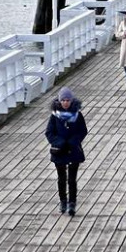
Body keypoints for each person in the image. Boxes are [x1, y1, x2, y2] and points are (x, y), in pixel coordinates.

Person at [45, 87, 87, 216]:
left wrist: (73, 141)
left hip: (73, 151)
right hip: (60, 151)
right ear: (59, 101)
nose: (65, 103)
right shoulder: (54, 116)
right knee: (61, 178)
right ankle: (63, 201)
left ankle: (72, 203)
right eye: (63, 100)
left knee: (72, 179)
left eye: (68, 100)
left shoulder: (77, 115)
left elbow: (82, 131)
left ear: (71, 101)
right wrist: (60, 142)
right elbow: (49, 133)